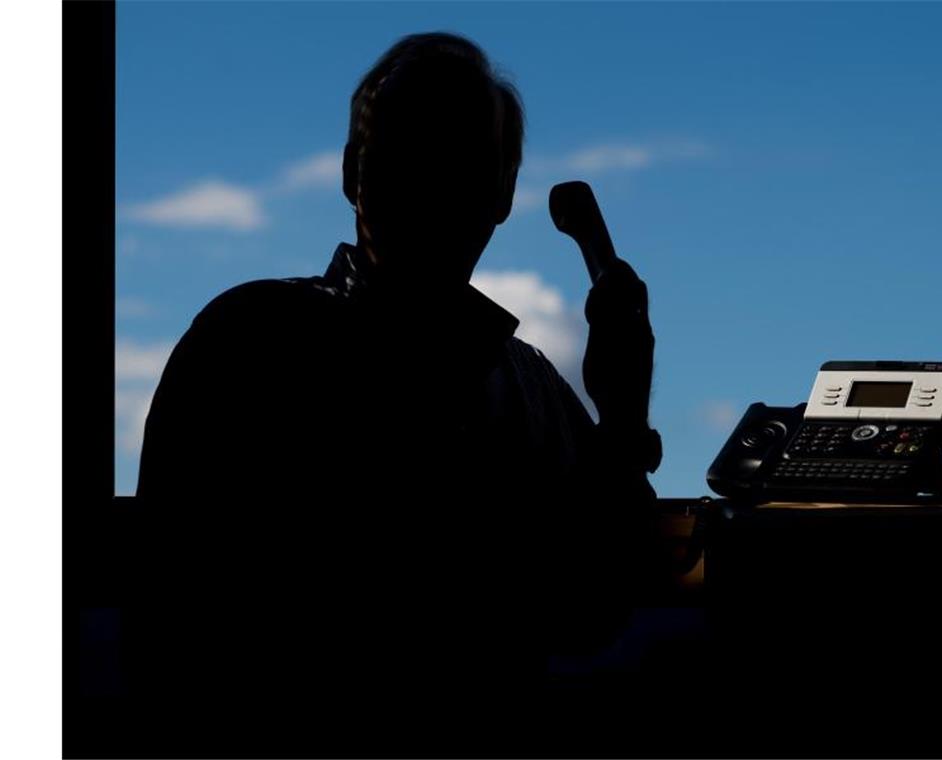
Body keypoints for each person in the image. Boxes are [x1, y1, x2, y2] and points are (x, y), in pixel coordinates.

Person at [130, 32, 666, 744]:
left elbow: (591, 609)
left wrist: (623, 416)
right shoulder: (250, 342)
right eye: (412, 148)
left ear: (502, 195)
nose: (435, 178)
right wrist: (620, 422)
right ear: (355, 174)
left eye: (463, 157)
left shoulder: (530, 384)